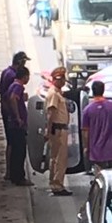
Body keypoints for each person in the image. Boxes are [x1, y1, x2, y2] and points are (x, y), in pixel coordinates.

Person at [0, 51, 31, 180]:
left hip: (8, 115)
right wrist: (16, 116)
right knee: (16, 146)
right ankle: (13, 173)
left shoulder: (6, 72)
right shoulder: (13, 78)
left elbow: (3, 94)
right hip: (12, 118)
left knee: (12, 144)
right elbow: (11, 98)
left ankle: (10, 172)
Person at [81, 81, 112, 174]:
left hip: (96, 150)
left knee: (100, 175)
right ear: (103, 90)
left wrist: (86, 147)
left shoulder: (87, 110)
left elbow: (85, 131)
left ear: (92, 91)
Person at [45, 66, 72, 196]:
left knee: (55, 158)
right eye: (62, 79)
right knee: (60, 158)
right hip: (58, 129)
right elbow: (51, 114)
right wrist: (48, 130)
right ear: (57, 79)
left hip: (59, 129)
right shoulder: (54, 94)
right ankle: (57, 185)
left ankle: (54, 182)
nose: (64, 82)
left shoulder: (57, 93)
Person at [5, 66, 33, 186]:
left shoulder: (12, 85)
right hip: (17, 125)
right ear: (25, 76)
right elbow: (12, 99)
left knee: (15, 150)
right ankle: (19, 177)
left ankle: (13, 175)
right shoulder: (18, 86)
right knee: (20, 151)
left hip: (12, 123)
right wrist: (18, 117)